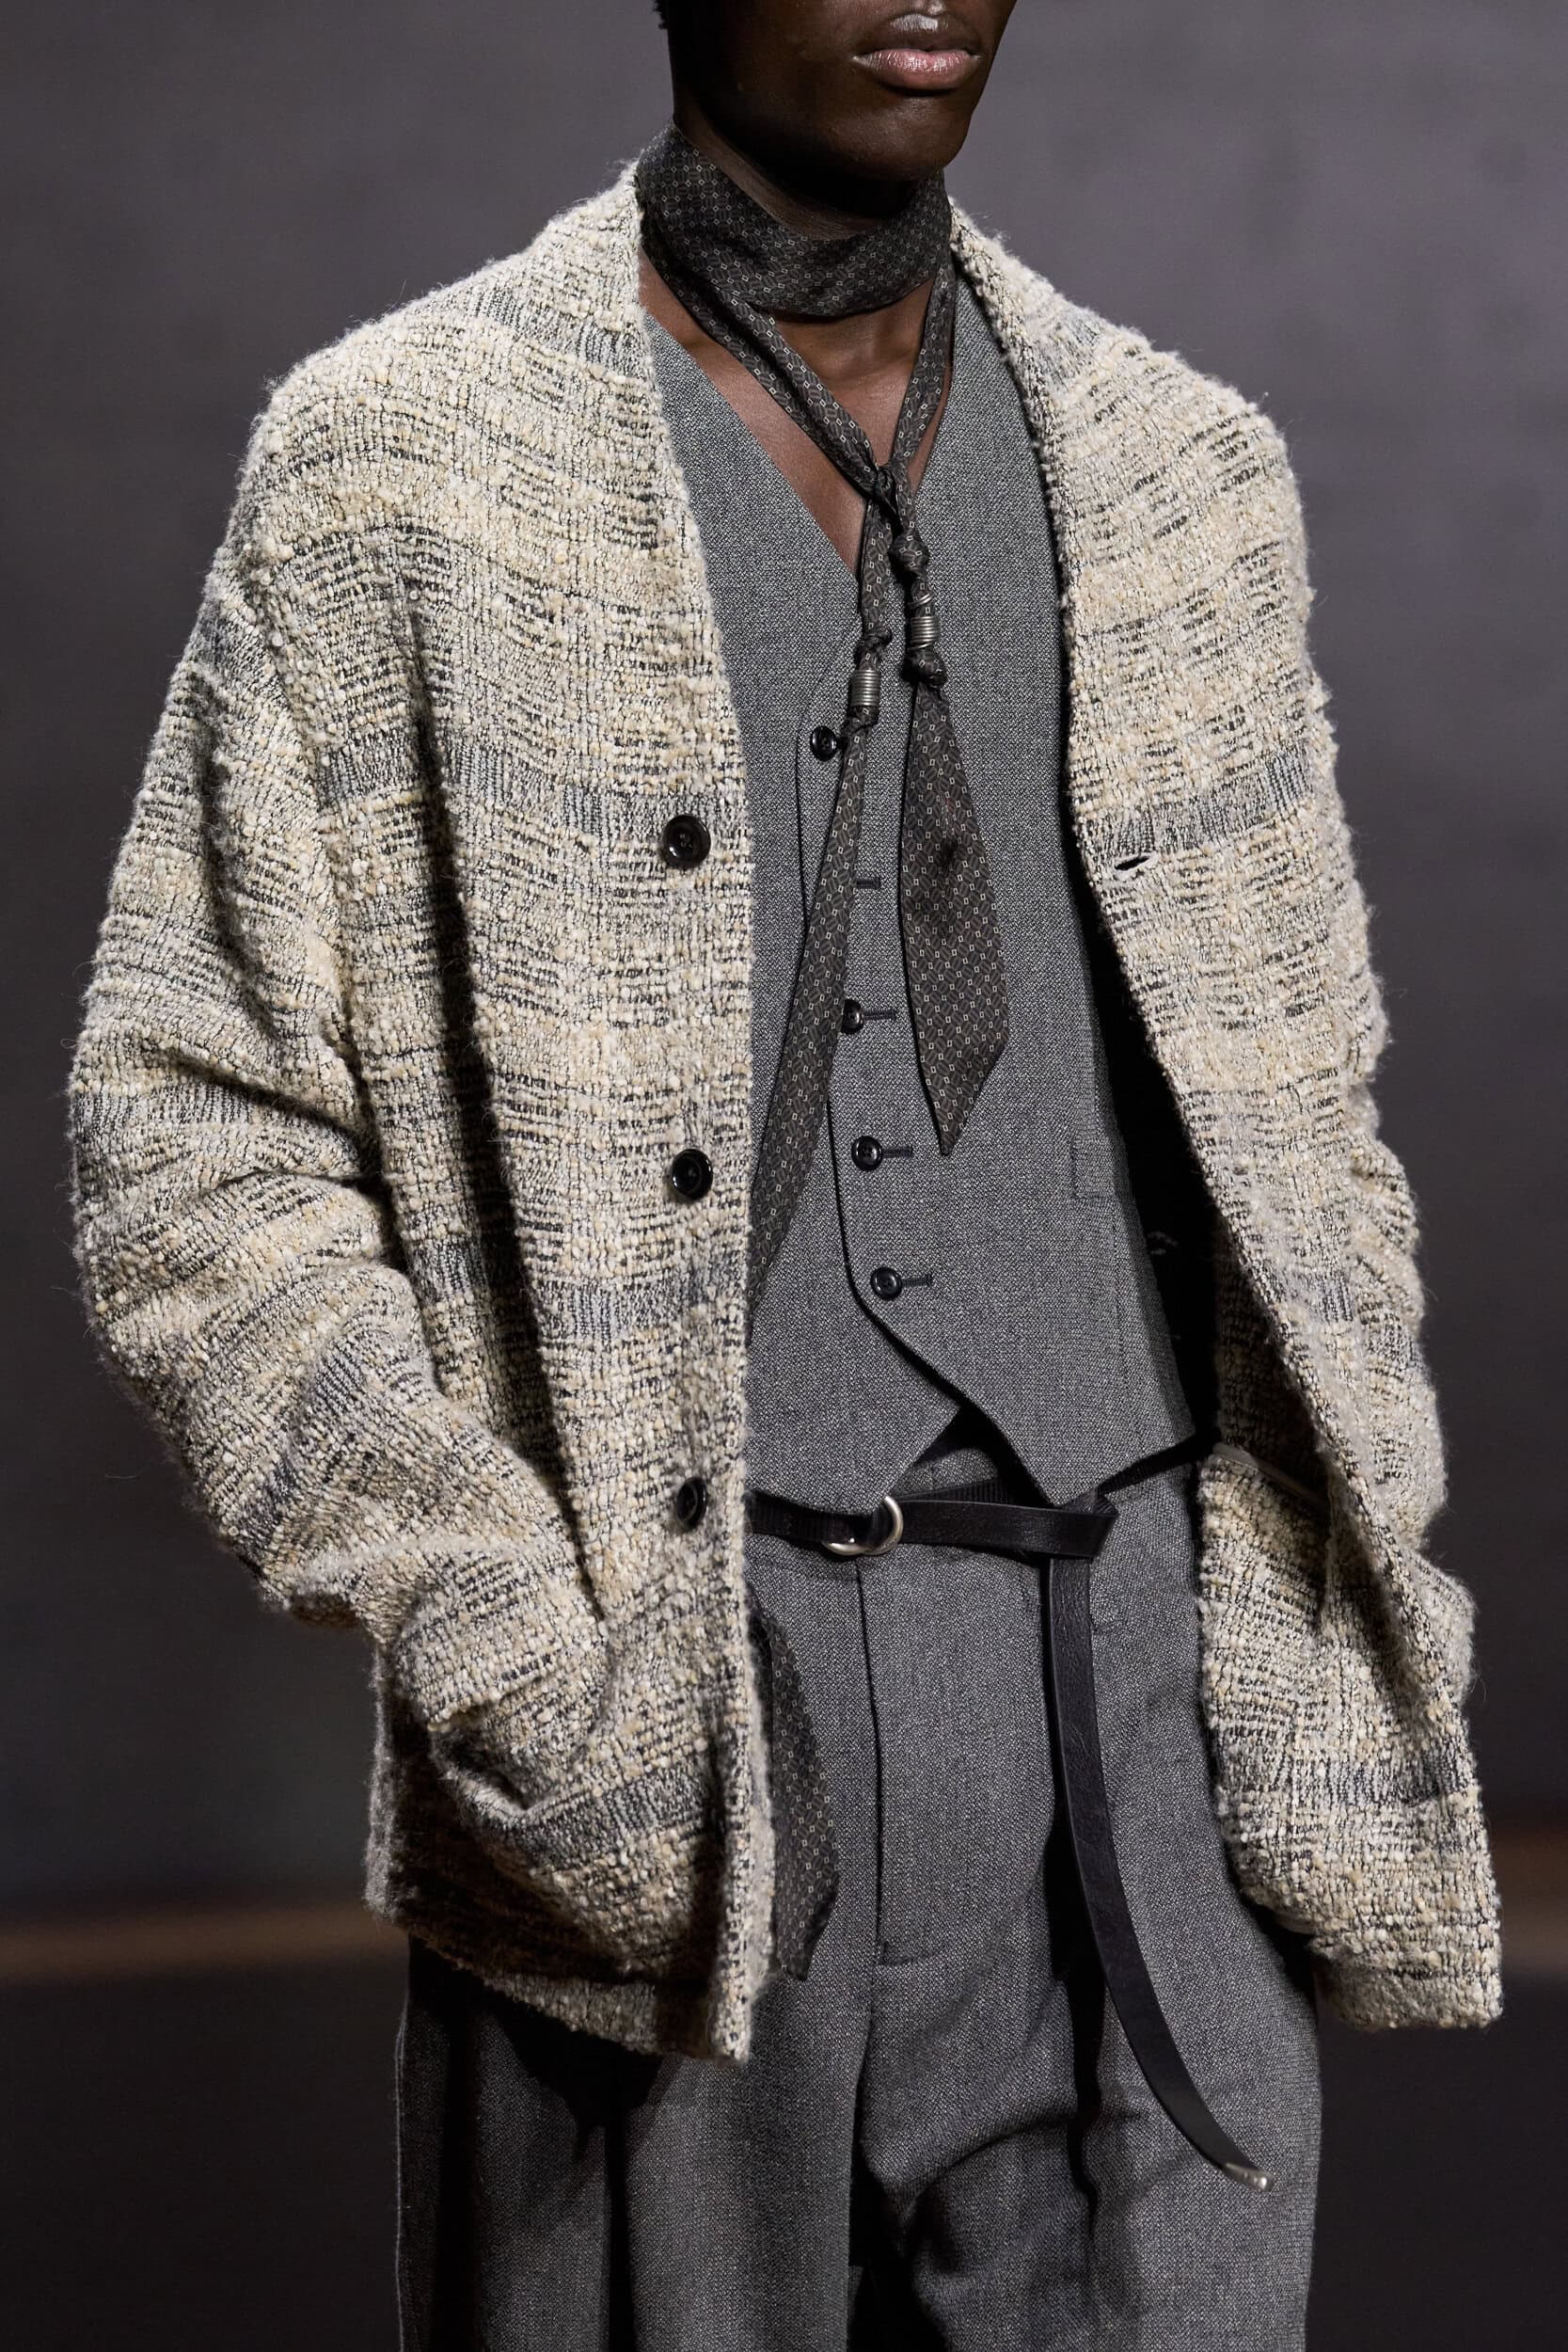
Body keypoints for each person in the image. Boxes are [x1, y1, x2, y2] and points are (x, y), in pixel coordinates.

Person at [69, 2, 1501, 2344]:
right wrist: (511, 1647)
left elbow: (1307, 1111)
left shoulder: (1182, 471)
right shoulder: (399, 463)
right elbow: (189, 1132)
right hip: (662, 1733)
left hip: (1135, 1723)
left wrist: (1308, 1607)